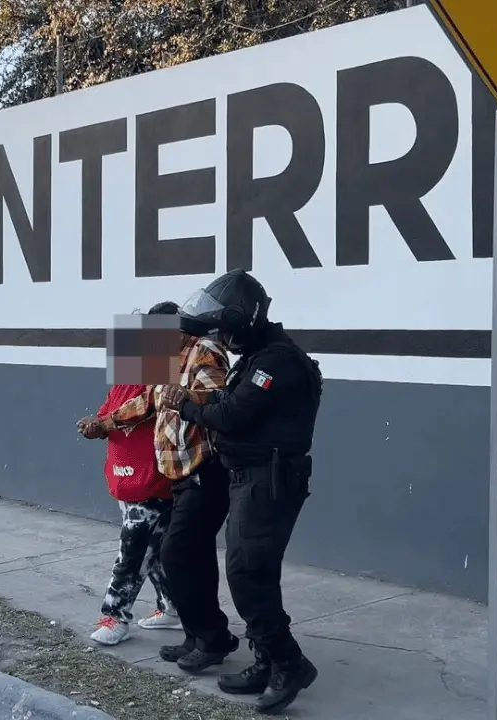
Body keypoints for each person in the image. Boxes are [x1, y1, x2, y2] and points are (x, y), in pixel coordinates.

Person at [157, 269, 323, 715]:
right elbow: (227, 405)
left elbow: (231, 416)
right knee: (254, 573)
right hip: (252, 478)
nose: (223, 338)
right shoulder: (256, 357)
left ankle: (288, 662)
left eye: (225, 328)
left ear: (243, 318)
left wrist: (184, 403)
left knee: (247, 574)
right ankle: (267, 661)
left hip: (269, 480)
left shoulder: (276, 362)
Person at [85, 300, 240, 671]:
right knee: (170, 551)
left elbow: (218, 406)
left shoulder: (202, 352)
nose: (143, 343)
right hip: (158, 471)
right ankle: (190, 626)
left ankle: (117, 616)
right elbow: (141, 401)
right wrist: (104, 423)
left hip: (188, 472)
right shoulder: (161, 358)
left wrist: (185, 400)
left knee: (150, 548)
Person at [77, 306, 184, 646]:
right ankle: (173, 608)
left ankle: (115, 616)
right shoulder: (128, 376)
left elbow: (145, 408)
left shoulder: (168, 377)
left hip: (153, 481)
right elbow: (109, 411)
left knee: (133, 552)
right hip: (127, 478)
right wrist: (94, 424)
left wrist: (103, 423)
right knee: (155, 551)